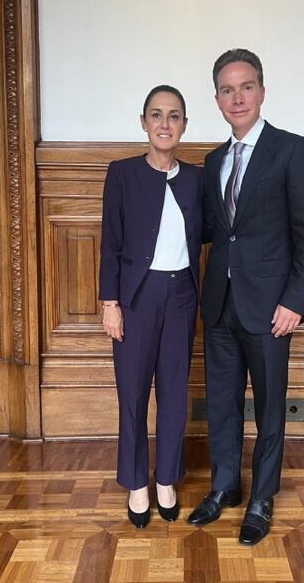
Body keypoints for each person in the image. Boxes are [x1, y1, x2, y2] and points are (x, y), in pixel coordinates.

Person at [187, 49, 304, 545]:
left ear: (262, 92)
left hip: (272, 309)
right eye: (227, 90)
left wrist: (296, 301)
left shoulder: (293, 150)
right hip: (220, 303)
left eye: (246, 87)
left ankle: (262, 497)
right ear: (217, 100)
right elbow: (213, 230)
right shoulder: (211, 161)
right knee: (222, 402)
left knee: (269, 406)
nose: (237, 97)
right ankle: (224, 486)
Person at [99, 85, 204, 528]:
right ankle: (137, 484)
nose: (165, 123)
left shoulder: (197, 178)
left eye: (174, 115)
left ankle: (166, 479)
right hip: (136, 299)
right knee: (133, 395)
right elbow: (111, 244)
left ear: (184, 125)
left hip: (182, 295)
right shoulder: (122, 174)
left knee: (175, 396)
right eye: (156, 115)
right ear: (143, 122)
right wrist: (111, 302)